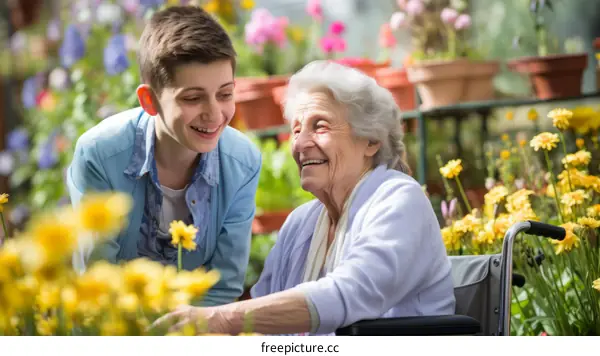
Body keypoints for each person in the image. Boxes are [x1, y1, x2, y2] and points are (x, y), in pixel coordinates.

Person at [152, 60, 456, 335]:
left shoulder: (399, 200)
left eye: (319, 126)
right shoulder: (302, 222)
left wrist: (221, 318)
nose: (301, 144)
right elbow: (261, 315)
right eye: (296, 130)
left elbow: (349, 294)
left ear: (371, 140)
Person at [66, 6, 262, 307]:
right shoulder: (100, 156)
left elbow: (224, 285)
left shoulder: (242, 162)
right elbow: (97, 281)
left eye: (225, 94)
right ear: (149, 100)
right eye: (193, 98)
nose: (214, 114)